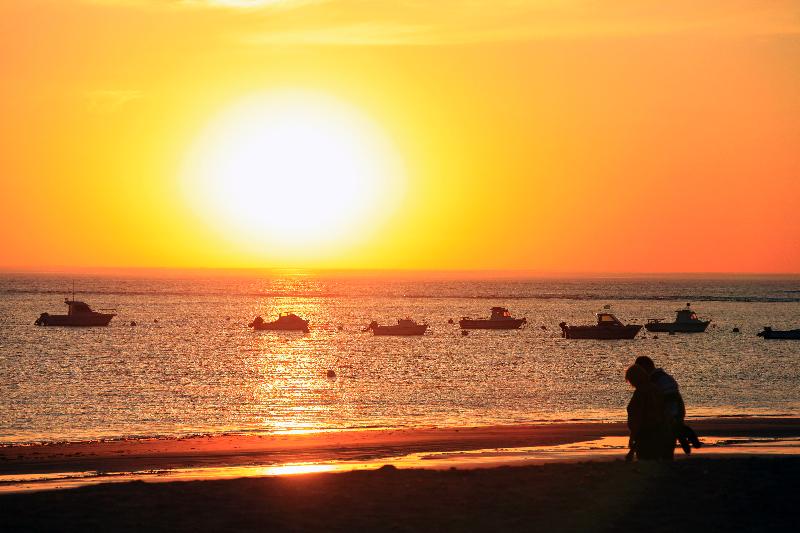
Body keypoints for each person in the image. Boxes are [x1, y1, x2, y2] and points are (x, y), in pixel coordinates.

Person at [634, 356, 702, 454]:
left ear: (644, 368)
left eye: (639, 370)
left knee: (672, 431)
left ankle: (684, 435)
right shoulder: (662, 377)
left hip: (671, 410)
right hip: (676, 408)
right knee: (675, 429)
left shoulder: (656, 379)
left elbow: (670, 399)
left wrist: (670, 415)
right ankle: (685, 436)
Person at [625, 364, 674, 460]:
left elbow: (638, 417)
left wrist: (632, 437)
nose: (630, 383)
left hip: (647, 434)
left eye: (630, 380)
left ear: (634, 379)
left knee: (646, 460)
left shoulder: (640, 393)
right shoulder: (655, 389)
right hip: (660, 432)